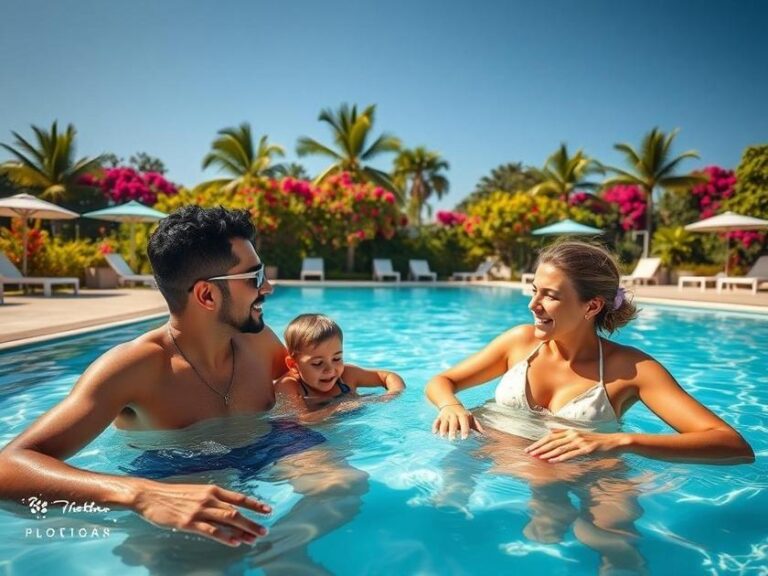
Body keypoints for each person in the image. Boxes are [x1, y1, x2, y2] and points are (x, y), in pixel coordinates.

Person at [0, 205, 289, 547]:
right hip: (172, 518)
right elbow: (9, 467)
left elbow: (313, 394)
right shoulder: (136, 368)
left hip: (259, 482)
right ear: (207, 295)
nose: (268, 287)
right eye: (255, 277)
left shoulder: (259, 343)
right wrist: (141, 494)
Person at [426, 240, 754, 464]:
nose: (533, 304)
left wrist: (620, 441)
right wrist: (450, 406)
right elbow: (442, 381)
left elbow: (732, 444)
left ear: (592, 306)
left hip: (585, 476)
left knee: (610, 540)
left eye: (550, 295)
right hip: (492, 460)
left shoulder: (631, 369)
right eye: (534, 290)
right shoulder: (519, 342)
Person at [275, 313, 405, 414]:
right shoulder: (289, 387)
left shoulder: (347, 376)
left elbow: (387, 376)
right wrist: (339, 408)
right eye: (318, 363)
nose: (330, 369)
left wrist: (393, 394)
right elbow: (300, 421)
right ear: (293, 365)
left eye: (337, 359)